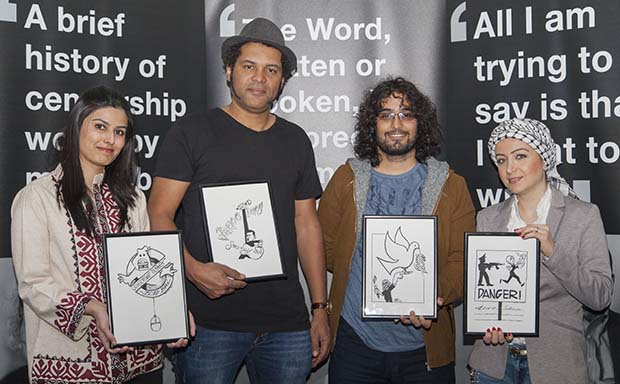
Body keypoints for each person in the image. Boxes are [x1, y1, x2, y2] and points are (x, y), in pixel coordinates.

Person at [148, 17, 329, 384]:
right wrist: (192, 269)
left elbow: (307, 224)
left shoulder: (295, 140)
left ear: (281, 81)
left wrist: (320, 307)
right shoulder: (191, 133)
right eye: (249, 66)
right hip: (209, 323)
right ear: (229, 70)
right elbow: (159, 214)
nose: (259, 78)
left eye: (271, 70)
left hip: (287, 323)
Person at [10, 86, 192, 384]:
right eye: (100, 127)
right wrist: (92, 308)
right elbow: (33, 284)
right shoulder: (36, 198)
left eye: (120, 132)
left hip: (139, 361)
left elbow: (147, 269)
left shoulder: (133, 198)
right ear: (76, 127)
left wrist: (173, 311)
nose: (110, 139)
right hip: (72, 361)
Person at [318, 77, 475, 383]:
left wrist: (433, 296)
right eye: (386, 114)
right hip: (355, 344)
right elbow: (325, 248)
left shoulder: (452, 186)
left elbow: (463, 258)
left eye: (406, 114)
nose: (396, 124)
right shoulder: (345, 179)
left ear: (421, 123)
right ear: (372, 124)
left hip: (425, 349)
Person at [468, 118, 613, 384]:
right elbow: (483, 293)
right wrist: (485, 326)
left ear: (544, 159)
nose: (510, 168)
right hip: (493, 365)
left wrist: (552, 252)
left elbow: (600, 296)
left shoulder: (583, 215)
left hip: (557, 366)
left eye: (520, 156)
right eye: (501, 160)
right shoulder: (487, 218)